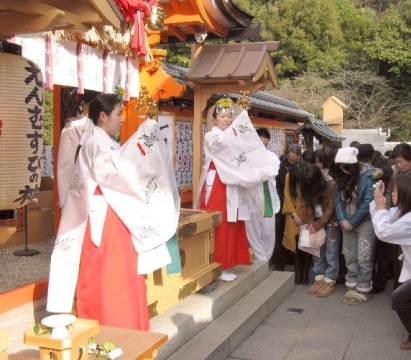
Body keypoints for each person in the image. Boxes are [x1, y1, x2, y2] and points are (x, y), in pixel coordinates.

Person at [47, 94, 180, 330]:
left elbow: (122, 166)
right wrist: (141, 142)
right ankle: (109, 324)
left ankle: (130, 324)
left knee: (124, 271)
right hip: (105, 214)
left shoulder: (106, 142)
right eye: (118, 114)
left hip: (116, 211)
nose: (121, 119)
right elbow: (111, 170)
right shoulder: (92, 143)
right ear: (103, 116)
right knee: (109, 272)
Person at [196, 98, 278, 282]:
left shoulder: (229, 134)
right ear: (215, 118)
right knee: (220, 223)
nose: (226, 119)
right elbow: (224, 146)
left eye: (229, 116)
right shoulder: (211, 136)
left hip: (231, 182)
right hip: (217, 181)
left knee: (233, 223)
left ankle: (228, 262)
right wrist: (239, 124)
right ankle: (217, 264)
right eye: (223, 116)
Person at [334, 146, 380, 305]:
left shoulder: (368, 175)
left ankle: (363, 288)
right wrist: (342, 219)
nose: (342, 170)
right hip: (346, 221)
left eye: (345, 167)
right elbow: (337, 200)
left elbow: (368, 202)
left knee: (364, 255)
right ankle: (351, 285)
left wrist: (352, 222)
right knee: (349, 254)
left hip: (365, 222)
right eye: (340, 167)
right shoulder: (341, 176)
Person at [371, 174, 411, 350]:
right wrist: (378, 201)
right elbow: (387, 216)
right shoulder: (403, 211)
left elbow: (384, 232)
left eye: (394, 192)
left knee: (399, 297)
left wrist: (380, 208)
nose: (391, 195)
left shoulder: (409, 220)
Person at [307, 149, 340, 296]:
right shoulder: (310, 179)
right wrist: (310, 223)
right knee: (317, 251)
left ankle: (330, 280)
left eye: (320, 161)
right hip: (316, 222)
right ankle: (319, 278)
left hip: (331, 223)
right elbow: (309, 204)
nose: (317, 164)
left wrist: (318, 224)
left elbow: (331, 207)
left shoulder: (332, 182)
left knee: (331, 251)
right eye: (315, 161)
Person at [245, 127, 281, 261]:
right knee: (252, 230)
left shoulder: (272, 157)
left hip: (267, 198)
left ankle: (266, 257)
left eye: (265, 144)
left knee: (268, 231)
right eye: (261, 143)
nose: (263, 147)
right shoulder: (246, 157)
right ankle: (260, 256)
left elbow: (271, 171)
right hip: (250, 198)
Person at [57, 93, 96, 208]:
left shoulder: (102, 126)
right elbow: (65, 167)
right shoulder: (72, 127)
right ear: (85, 107)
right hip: (80, 189)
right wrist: (66, 201)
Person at [270, 143, 301, 271]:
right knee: (281, 231)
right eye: (290, 159)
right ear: (287, 156)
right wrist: (283, 201)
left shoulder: (303, 166)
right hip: (283, 203)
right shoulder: (280, 166)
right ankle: (280, 259)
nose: (293, 162)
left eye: (295, 160)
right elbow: (278, 186)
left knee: (297, 233)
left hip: (299, 205)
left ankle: (294, 258)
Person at [282, 161, 313, 285]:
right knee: (294, 243)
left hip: (307, 211)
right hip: (293, 211)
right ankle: (297, 272)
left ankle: (305, 273)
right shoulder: (289, 176)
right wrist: (294, 214)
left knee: (306, 243)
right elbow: (287, 196)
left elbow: (312, 196)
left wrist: (309, 216)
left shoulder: (308, 175)